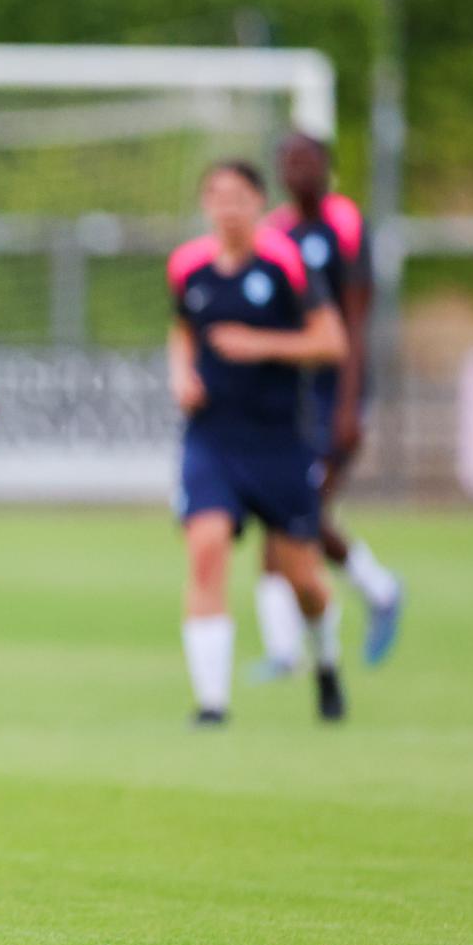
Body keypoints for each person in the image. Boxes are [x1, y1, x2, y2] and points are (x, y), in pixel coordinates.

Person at [168, 159, 349, 727]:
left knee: (302, 579)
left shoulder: (285, 263)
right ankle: (212, 704)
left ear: (258, 203)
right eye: (216, 196)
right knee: (207, 549)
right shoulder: (187, 266)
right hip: (212, 438)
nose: (227, 207)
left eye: (238, 197)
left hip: (279, 441)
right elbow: (181, 332)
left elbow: (331, 341)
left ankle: (325, 664)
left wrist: (260, 343)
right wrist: (181, 374)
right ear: (205, 205)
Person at [252, 132, 404, 677]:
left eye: (307, 161)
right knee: (286, 517)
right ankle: (286, 649)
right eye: (287, 161)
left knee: (302, 516)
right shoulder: (275, 230)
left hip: (335, 392)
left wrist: (348, 406)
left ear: (326, 167)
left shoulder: (345, 224)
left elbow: (355, 325)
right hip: (291, 399)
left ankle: (376, 592)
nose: (297, 171)